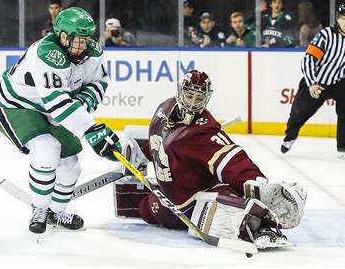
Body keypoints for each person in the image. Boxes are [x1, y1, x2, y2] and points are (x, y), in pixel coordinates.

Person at [120, 70, 307, 250]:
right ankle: (251, 216)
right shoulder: (164, 109)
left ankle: (262, 226)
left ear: (207, 99)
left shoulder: (203, 129)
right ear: (180, 92)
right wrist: (141, 155)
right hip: (171, 203)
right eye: (189, 95)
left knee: (225, 198)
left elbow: (233, 159)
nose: (193, 103)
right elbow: (159, 142)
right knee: (145, 209)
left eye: (199, 98)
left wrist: (256, 183)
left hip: (193, 199)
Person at [0, 7, 122, 234]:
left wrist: (83, 102)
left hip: (52, 109)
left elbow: (100, 82)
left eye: (86, 39)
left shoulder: (93, 52)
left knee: (71, 167)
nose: (83, 45)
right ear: (62, 35)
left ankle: (56, 213)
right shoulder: (47, 53)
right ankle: (40, 209)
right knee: (45, 149)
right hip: (17, 106)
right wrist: (93, 131)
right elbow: (59, 104)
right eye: (77, 39)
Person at [281, 4, 345, 157]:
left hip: (339, 80)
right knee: (298, 113)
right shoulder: (326, 35)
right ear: (337, 19)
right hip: (317, 80)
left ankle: (344, 145)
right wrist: (311, 83)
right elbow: (308, 59)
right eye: (343, 18)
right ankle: (289, 137)